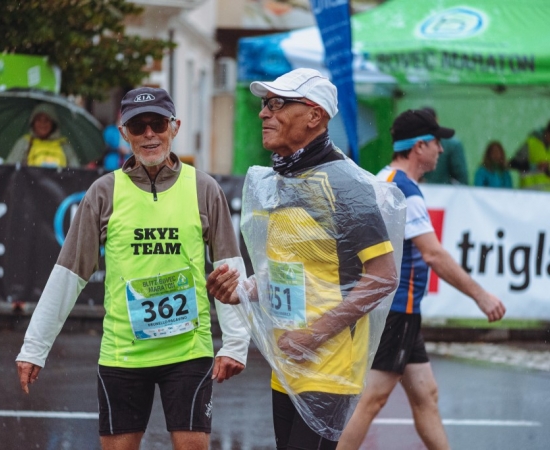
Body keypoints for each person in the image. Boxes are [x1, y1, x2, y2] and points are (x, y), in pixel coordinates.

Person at [15, 87, 250, 450]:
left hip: (188, 351)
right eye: (138, 126)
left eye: (158, 124)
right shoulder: (103, 192)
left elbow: (228, 269)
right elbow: (68, 275)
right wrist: (34, 347)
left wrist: (236, 343)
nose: (149, 134)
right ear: (124, 133)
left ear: (175, 127)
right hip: (122, 352)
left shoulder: (204, 188)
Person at [206, 68, 403, 449]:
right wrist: (243, 290)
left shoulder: (345, 186)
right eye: (265, 104)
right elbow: (292, 270)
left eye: (277, 104)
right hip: (287, 362)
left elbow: (383, 276)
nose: (264, 113)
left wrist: (314, 335)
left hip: (329, 366)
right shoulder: (283, 180)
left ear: (314, 116)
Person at [336, 109, 507, 450]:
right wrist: (481, 296)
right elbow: (434, 255)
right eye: (436, 142)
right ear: (418, 147)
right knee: (371, 400)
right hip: (397, 308)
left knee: (426, 395)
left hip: (391, 307)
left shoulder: (383, 178)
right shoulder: (406, 192)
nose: (441, 150)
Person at [6, 102, 80, 168]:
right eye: (39, 120)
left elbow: (75, 171)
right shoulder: (24, 142)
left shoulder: (64, 145)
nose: (42, 124)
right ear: (33, 122)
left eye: (46, 120)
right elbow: (9, 170)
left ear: (53, 123)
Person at [421, 107, 469, 185]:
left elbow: (461, 178)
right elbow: (462, 177)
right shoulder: (453, 144)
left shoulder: (453, 144)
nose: (441, 149)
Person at [509, 120, 550, 191]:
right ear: (547, 132)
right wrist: (535, 167)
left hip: (547, 195)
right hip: (529, 193)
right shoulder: (531, 144)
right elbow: (513, 164)